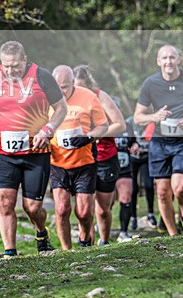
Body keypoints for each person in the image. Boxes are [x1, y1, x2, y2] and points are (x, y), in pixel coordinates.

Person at [0, 41, 67, 257]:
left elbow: (61, 107)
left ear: (25, 60)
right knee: (4, 201)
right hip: (4, 152)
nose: (10, 71)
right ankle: (10, 252)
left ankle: (41, 232)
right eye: (6, 66)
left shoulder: (42, 76)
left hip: (35, 153)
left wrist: (48, 129)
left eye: (15, 65)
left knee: (32, 207)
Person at [133, 44, 183, 236]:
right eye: (165, 58)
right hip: (160, 143)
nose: (168, 61)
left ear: (178, 60)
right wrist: (154, 117)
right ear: (158, 62)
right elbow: (138, 117)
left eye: (172, 58)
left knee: (179, 188)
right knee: (162, 192)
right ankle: (173, 235)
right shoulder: (150, 84)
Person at [49, 66, 109, 249]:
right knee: (61, 210)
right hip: (57, 162)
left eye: (65, 87)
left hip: (85, 161)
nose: (61, 91)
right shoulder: (45, 100)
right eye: (57, 87)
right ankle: (67, 251)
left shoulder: (89, 97)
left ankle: (84, 240)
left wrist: (88, 137)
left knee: (83, 212)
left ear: (73, 82)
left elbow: (103, 126)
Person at [73, 65, 125, 245]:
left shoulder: (100, 97)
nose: (79, 91)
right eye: (75, 88)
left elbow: (120, 125)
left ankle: (104, 242)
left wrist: (93, 135)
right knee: (84, 207)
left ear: (89, 84)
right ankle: (86, 242)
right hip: (81, 158)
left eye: (82, 87)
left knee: (103, 208)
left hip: (105, 156)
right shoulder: (67, 100)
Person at [126, 115, 157, 229]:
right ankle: (133, 218)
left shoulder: (153, 120)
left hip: (146, 157)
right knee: (133, 189)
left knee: (149, 185)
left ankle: (151, 213)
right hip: (132, 159)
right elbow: (127, 140)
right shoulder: (129, 122)